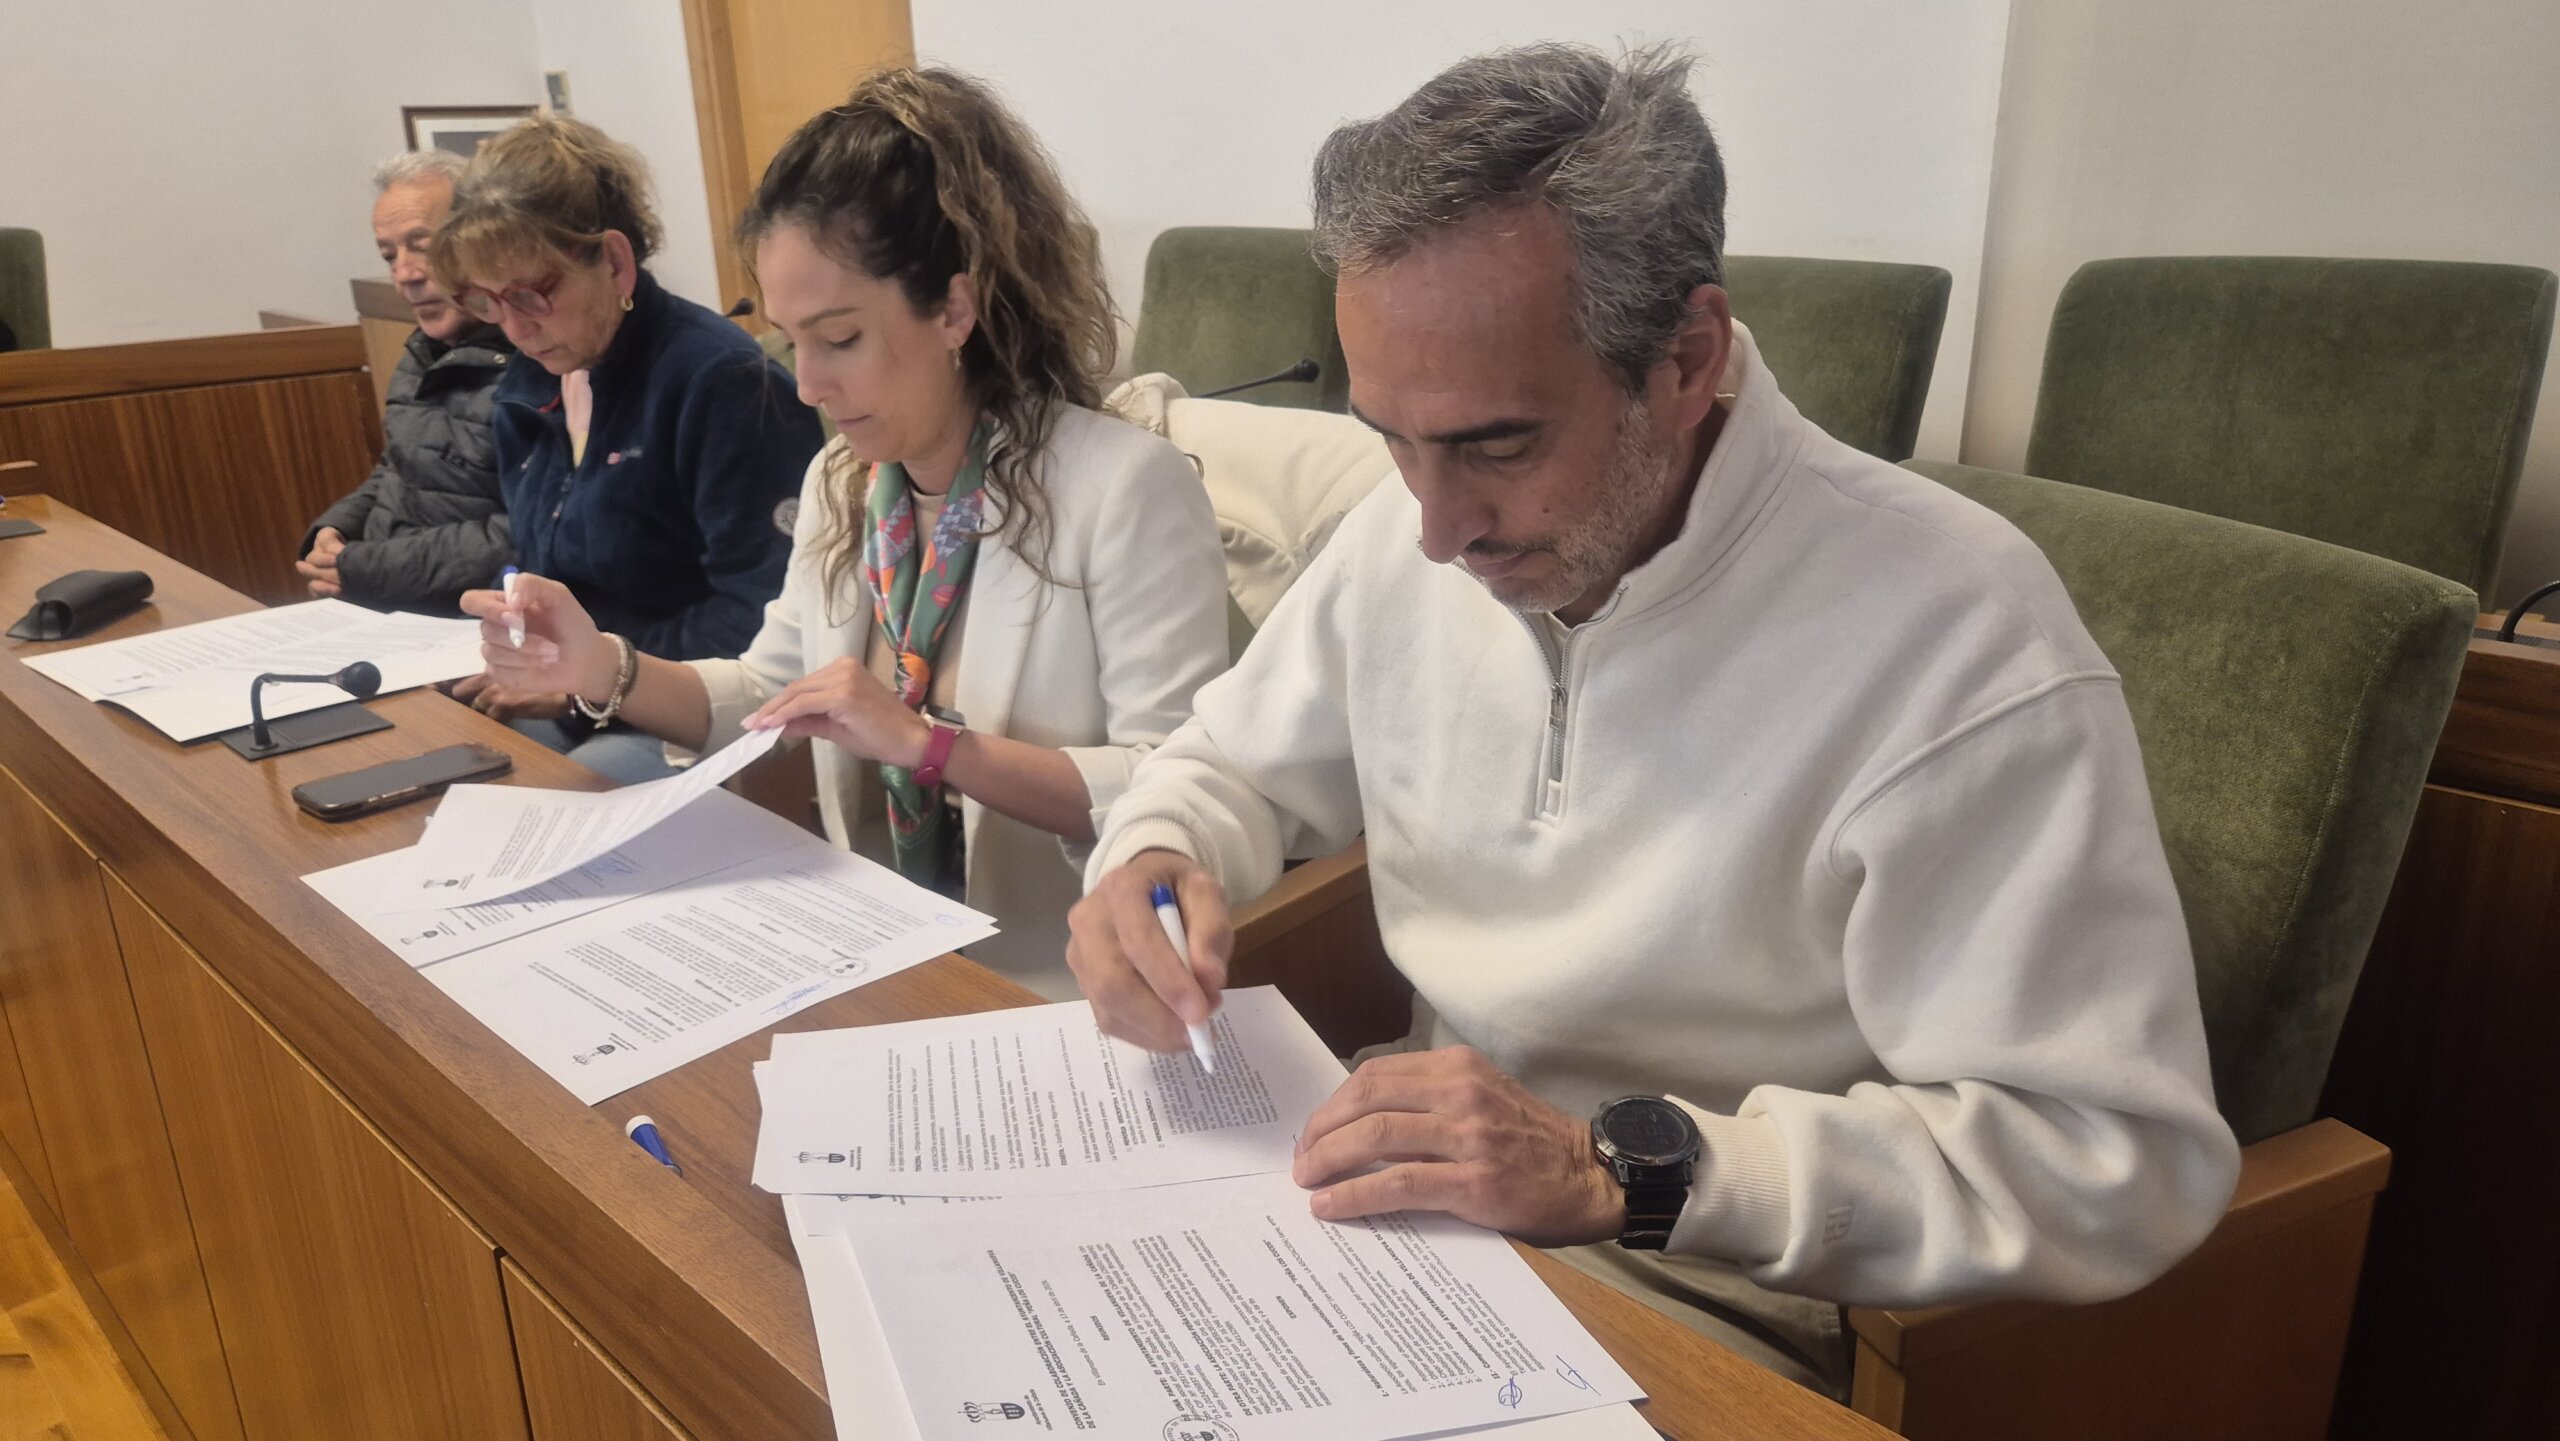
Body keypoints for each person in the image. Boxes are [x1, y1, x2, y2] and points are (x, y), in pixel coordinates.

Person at [1066, 43, 2240, 1395]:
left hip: (1705, 1276)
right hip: (1401, 1202)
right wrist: (1158, 849)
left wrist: (1625, 1162)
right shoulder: (1411, 532)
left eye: (1498, 444)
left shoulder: (1961, 636)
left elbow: (2115, 1160)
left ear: (1687, 357)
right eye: (1392, 435)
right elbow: (1229, 763)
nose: (1436, 528)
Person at [462, 68, 1228, 995]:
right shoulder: (848, 484)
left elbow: (1170, 786)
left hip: (1054, 979)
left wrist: (929, 744)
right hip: (879, 942)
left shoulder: (1123, 490)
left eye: (840, 339)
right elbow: (771, 691)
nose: (806, 386)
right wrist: (601, 670)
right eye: (792, 338)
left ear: (955, 306)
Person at [429, 116, 824, 782]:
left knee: (549, 805)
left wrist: (588, 677)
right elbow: (548, 574)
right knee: (424, 766)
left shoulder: (720, 381)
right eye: (489, 301)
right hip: (579, 690)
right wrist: (526, 648)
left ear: (614, 261)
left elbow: (762, 615)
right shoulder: (530, 382)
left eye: (531, 293)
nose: (516, 326)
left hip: (696, 714)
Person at [298, 150, 514, 612]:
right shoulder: (422, 351)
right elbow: (400, 466)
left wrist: (364, 568)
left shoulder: (541, 360)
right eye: (388, 255)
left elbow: (532, 533)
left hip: (472, 619)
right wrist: (337, 532)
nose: (404, 275)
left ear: (482, 239)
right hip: (390, 603)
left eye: (422, 244)